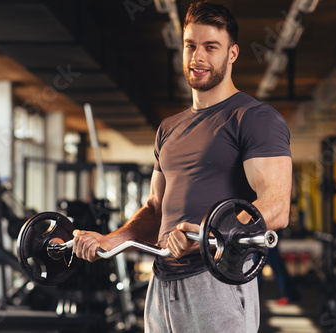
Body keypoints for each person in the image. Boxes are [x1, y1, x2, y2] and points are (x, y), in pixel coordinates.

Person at [73, 2, 292, 332]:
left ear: (232, 54)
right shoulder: (168, 129)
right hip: (162, 283)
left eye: (210, 47)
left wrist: (206, 236)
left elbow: (275, 207)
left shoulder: (253, 118)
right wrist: (111, 241)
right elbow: (155, 209)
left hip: (216, 282)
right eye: (191, 46)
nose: (197, 57)